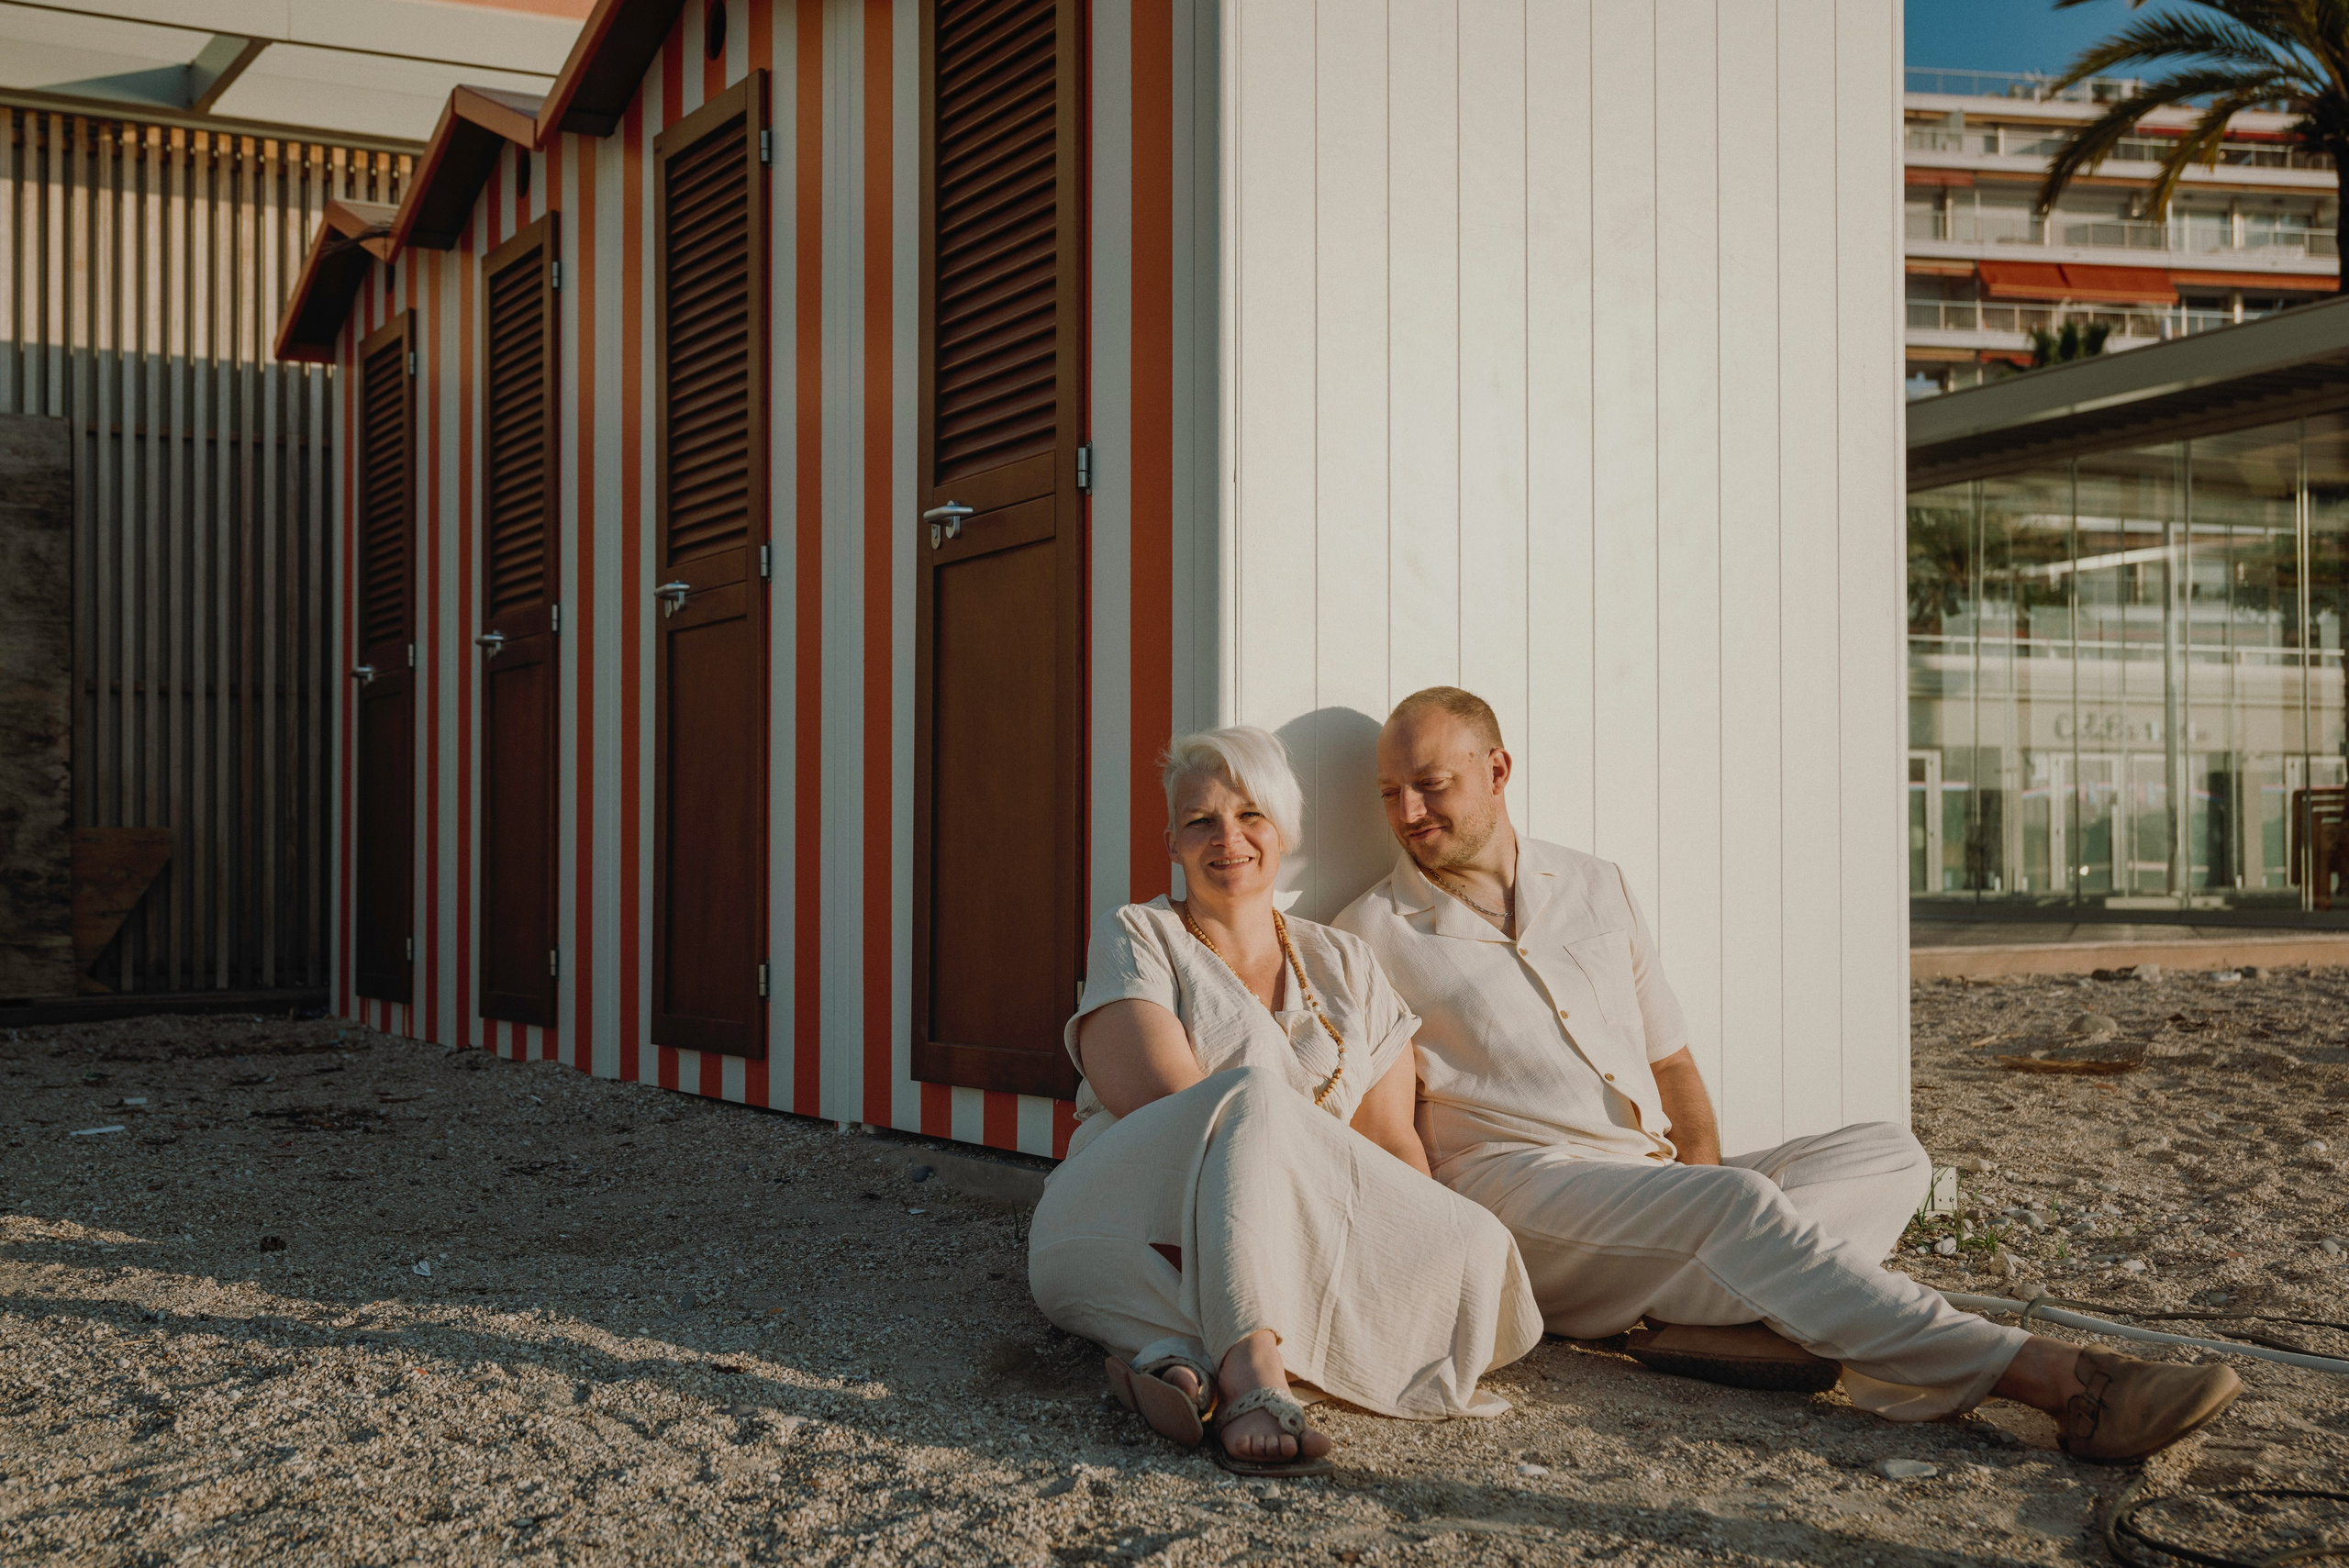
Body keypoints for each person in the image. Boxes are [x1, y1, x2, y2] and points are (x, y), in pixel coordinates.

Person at [1333, 687, 2241, 1462]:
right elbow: (1388, 1131)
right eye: (1389, 793)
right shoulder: (1366, 933)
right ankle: (2054, 1380)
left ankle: (1709, 1324)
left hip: (1650, 1181)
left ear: (1495, 769)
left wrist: (1700, 1167)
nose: (1408, 813)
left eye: (1430, 785)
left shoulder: (1593, 882)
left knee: (1889, 1153)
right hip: (1523, 1193)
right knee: (1738, 1210)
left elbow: (1670, 1057)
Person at [1030, 725, 1542, 1476]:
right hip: (1128, 1213)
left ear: (1285, 831)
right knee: (1246, 1099)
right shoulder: (1137, 933)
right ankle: (1253, 1362)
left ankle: (1177, 1357)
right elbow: (1161, 1104)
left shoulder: (1346, 961)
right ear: (1171, 840)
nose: (1227, 838)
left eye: (1250, 816)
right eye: (1201, 820)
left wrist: (1402, 1239)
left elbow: (1392, 1148)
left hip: (1272, 1242)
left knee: (1477, 1240)